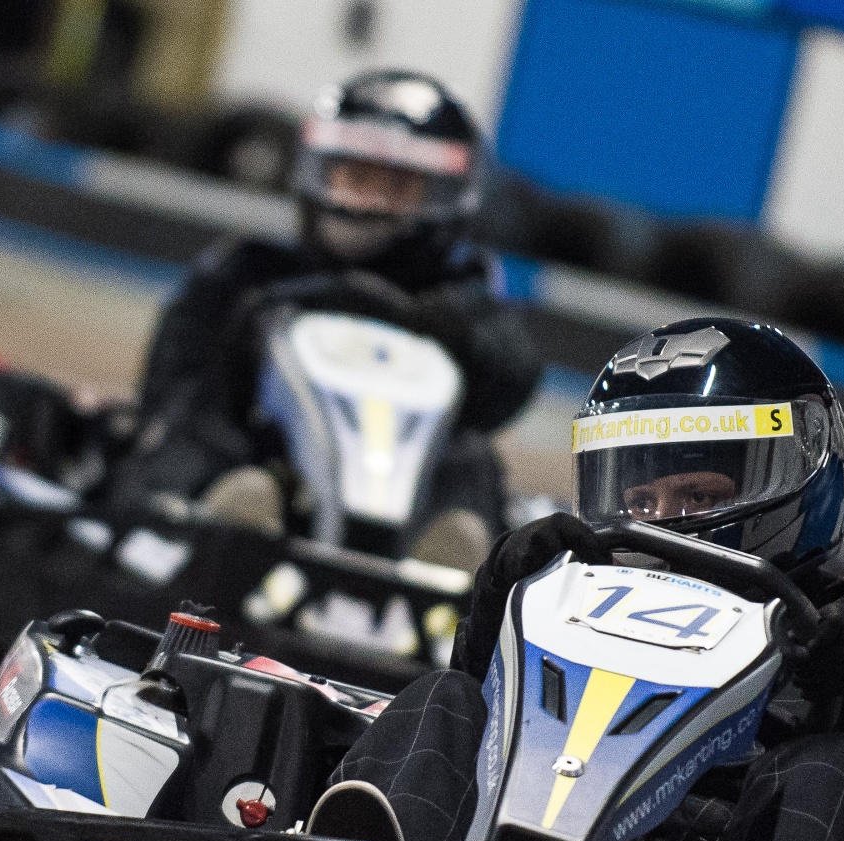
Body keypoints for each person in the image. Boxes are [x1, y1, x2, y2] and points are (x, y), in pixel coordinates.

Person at [308, 318, 844, 841]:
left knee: (840, 765)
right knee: (445, 697)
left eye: (699, 495)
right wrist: (500, 590)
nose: (663, 522)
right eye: (641, 501)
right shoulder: (577, 587)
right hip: (539, 806)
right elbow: (484, 690)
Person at [107, 69, 542, 571]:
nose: (366, 201)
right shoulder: (249, 273)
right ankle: (205, 521)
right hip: (273, 470)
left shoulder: (460, 295)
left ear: (440, 199)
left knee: (470, 459)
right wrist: (247, 341)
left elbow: (514, 375)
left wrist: (447, 328)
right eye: (353, 179)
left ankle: (456, 564)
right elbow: (169, 386)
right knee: (200, 418)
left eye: (393, 187)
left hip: (408, 496)